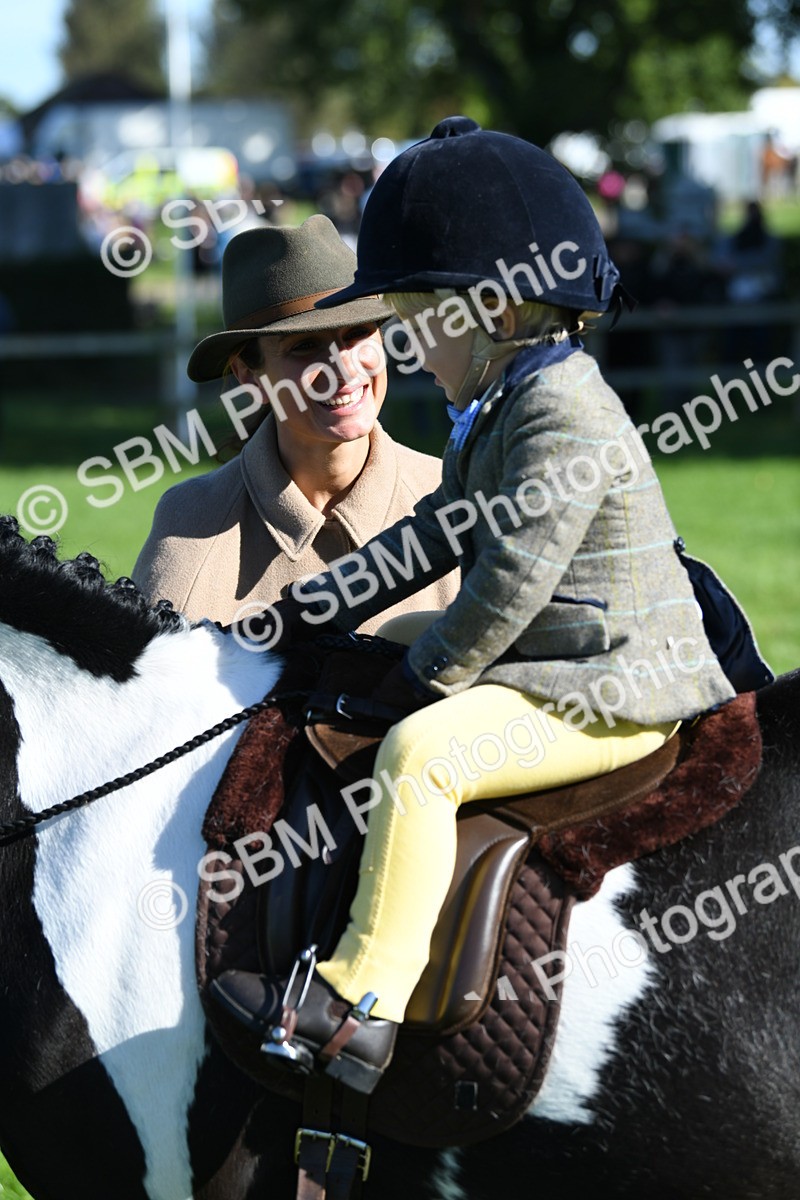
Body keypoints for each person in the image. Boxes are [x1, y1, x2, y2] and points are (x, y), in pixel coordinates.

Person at [211, 118, 737, 1095]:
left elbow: (505, 586)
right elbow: (435, 538)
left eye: (412, 324)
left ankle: (357, 1006)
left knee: (421, 758)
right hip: (559, 651)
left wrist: (421, 685)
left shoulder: (558, 412)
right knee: (370, 644)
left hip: (613, 685)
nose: (403, 350)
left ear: (489, 313)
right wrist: (309, 612)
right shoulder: (494, 407)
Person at [133, 215, 458, 627]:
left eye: (358, 333)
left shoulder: (454, 497)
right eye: (305, 346)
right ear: (249, 375)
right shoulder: (192, 521)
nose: (344, 367)